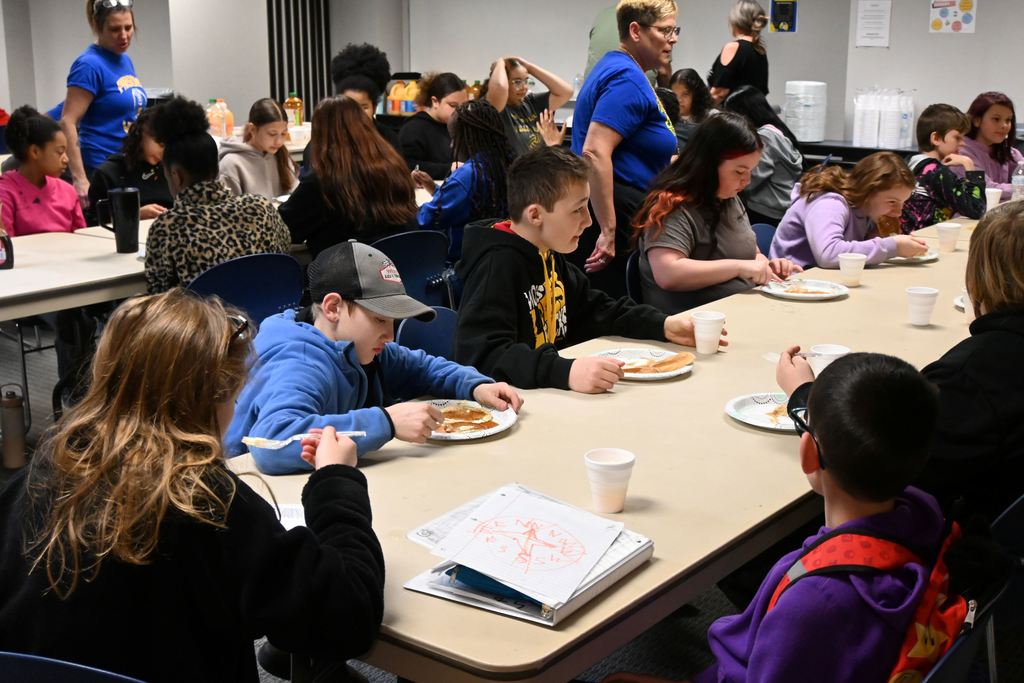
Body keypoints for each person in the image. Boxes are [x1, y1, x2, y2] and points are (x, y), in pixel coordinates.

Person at [0, 290, 386, 682]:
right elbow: (350, 619)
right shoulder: (205, 502)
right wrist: (336, 480)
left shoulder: (37, 477)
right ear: (214, 399)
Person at [225, 240, 523, 475]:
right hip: (255, 495)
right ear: (332, 308)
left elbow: (423, 368)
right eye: (380, 320)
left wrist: (475, 385)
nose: (391, 336)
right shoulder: (299, 362)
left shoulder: (357, 346)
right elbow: (271, 442)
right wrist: (386, 422)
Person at [455, 145, 726, 394]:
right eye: (578, 210)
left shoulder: (547, 250)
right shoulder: (496, 265)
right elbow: (483, 356)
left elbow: (596, 309)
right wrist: (565, 371)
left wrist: (663, 325)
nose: (588, 221)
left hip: (548, 398)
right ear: (535, 215)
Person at [917, 202, 1024, 521]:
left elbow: (894, 476)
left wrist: (805, 400)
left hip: (981, 556)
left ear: (977, 273)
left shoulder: (971, 375)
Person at [633, 112, 801, 312]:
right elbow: (668, 273)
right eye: (739, 172)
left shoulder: (729, 198)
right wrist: (739, 267)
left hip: (739, 311)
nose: (746, 181)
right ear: (709, 164)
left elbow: (750, 254)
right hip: (694, 324)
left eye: (751, 171)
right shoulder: (672, 205)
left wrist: (767, 267)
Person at [572, 0, 681, 298]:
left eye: (675, 30)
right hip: (616, 218)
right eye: (665, 30)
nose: (673, 39)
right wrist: (608, 231)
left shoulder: (619, 67)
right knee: (613, 315)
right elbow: (594, 151)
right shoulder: (626, 78)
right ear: (635, 30)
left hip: (616, 210)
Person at [144, 97, 289, 294]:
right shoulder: (261, 209)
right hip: (267, 315)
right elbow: (284, 257)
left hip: (206, 323)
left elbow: (159, 295)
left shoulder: (168, 228)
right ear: (215, 167)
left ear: (176, 176)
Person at [280, 96, 418, 258]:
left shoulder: (325, 178)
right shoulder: (393, 165)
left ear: (320, 133)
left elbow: (287, 228)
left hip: (344, 273)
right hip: (400, 266)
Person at [770, 152, 929, 269]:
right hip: (793, 280)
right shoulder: (831, 203)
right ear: (868, 191)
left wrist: (879, 236)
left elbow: (856, 243)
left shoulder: (866, 210)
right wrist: (893, 246)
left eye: (903, 203)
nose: (899, 212)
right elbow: (828, 254)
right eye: (892, 202)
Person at [61, 0, 147, 206]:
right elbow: (67, 121)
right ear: (97, 27)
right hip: (100, 166)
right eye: (115, 29)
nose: (124, 35)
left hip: (126, 164)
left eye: (128, 27)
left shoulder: (124, 60)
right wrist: (80, 179)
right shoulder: (89, 65)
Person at [418, 100, 514, 261]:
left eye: (454, 138)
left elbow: (427, 219)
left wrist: (406, 209)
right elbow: (465, 201)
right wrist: (434, 188)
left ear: (468, 139)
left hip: (464, 265)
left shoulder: (468, 175)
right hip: (501, 260)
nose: (451, 145)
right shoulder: (509, 164)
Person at [722, 85, 803, 226]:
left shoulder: (764, 138)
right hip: (785, 206)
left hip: (769, 211)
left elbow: (751, 180)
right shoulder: (776, 130)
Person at [900, 103, 986, 233]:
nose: (962, 143)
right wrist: (969, 165)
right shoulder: (935, 172)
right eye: (957, 137)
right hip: (924, 243)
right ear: (936, 138)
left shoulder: (911, 163)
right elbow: (977, 209)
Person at [0, 106, 85, 236]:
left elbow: (82, 238)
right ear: (35, 151)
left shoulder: (68, 191)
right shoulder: (5, 193)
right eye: (60, 152)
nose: (66, 159)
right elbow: (6, 248)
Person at [88, 106, 171, 221]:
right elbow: (95, 221)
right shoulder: (109, 173)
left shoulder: (171, 170)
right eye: (161, 144)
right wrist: (135, 214)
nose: (164, 152)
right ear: (141, 133)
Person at [483, 56, 573, 156]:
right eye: (517, 82)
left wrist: (529, 67)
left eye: (525, 81)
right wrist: (500, 62)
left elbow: (566, 92)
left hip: (534, 169)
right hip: (509, 171)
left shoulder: (531, 102)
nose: (524, 87)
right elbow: (499, 87)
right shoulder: (497, 107)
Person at [218, 98, 298, 199]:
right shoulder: (231, 164)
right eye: (272, 134)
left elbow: (295, 194)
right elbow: (229, 209)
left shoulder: (281, 155)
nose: (279, 141)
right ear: (253, 129)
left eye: (283, 134)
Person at [398, 72, 468, 180]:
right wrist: (449, 169)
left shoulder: (461, 127)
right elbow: (406, 166)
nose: (460, 111)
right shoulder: (413, 128)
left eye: (463, 106)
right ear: (435, 102)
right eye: (453, 105)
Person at [956, 91, 1023, 201]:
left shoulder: (1010, 152)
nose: (1004, 125)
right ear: (977, 120)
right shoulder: (961, 151)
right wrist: (1019, 188)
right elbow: (987, 189)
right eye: (996, 119)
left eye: (1008, 120)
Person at [707, 0, 769, 103]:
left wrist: (699, 113)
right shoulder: (760, 51)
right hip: (754, 117)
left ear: (735, 21)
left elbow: (719, 93)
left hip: (732, 116)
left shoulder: (733, 47)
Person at [668, 68, 716, 148]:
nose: (679, 100)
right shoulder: (666, 117)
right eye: (674, 95)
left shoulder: (712, 117)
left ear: (697, 94)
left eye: (685, 94)